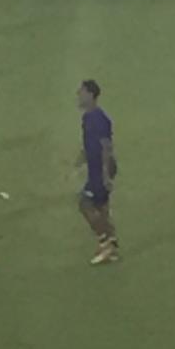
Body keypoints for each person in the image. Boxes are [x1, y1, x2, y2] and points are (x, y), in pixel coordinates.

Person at [74, 80, 119, 265]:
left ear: (91, 95)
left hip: (101, 170)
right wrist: (80, 160)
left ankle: (105, 241)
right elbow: (89, 144)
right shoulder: (87, 118)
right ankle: (112, 246)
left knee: (84, 203)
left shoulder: (98, 119)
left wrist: (106, 175)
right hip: (96, 169)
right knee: (102, 209)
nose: (78, 95)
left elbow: (106, 147)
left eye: (82, 92)